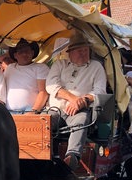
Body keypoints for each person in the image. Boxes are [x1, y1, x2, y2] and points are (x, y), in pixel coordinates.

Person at [45, 31, 109, 170]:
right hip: (56, 110)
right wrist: (74, 99)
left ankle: (72, 156)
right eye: (80, 50)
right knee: (44, 122)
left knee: (81, 121)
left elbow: (99, 91)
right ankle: (38, 158)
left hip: (80, 110)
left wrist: (83, 101)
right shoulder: (60, 64)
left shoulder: (96, 66)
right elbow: (51, 86)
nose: (83, 53)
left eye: (86, 50)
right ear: (70, 53)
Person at [4, 39, 49, 113]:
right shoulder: (10, 68)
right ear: (15, 55)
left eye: (27, 51)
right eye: (20, 52)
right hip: (8, 112)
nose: (24, 54)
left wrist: (34, 111)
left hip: (30, 111)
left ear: (32, 53)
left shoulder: (41, 68)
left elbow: (43, 92)